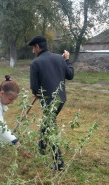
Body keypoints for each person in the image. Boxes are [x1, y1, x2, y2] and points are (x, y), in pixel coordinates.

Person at [28, 35, 74, 171]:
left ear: (37, 47)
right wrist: (67, 61)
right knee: (48, 122)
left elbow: (35, 88)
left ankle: (59, 163)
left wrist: (37, 93)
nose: (32, 51)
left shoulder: (35, 63)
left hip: (48, 101)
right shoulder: (60, 58)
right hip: (61, 99)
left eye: (33, 48)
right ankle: (42, 147)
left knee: (51, 128)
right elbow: (70, 75)